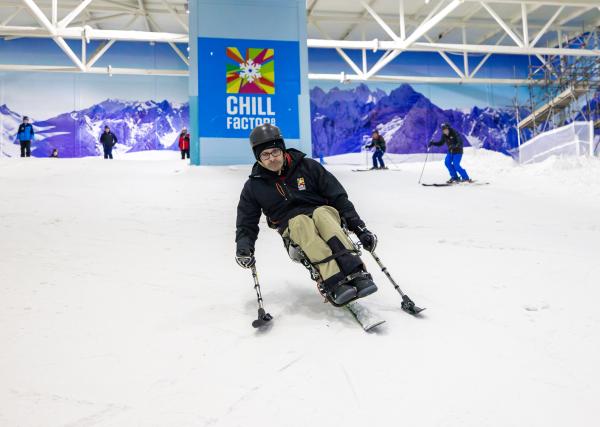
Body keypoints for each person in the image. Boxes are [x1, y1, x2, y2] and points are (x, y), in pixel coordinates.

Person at [235, 123, 379, 306]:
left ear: (282, 150)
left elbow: (338, 197)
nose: (272, 158)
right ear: (258, 158)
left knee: (321, 214)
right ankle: (333, 280)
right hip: (293, 231)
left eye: (275, 152)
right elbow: (246, 221)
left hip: (324, 215)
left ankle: (357, 272)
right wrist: (243, 247)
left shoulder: (308, 167)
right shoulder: (254, 187)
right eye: (265, 154)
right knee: (301, 222)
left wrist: (360, 228)